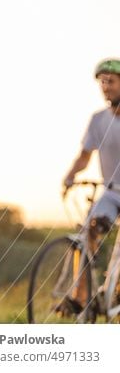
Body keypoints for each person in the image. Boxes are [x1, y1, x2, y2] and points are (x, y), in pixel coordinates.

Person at [61, 58, 120, 314]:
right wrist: (70, 176)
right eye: (102, 82)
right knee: (88, 232)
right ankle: (80, 297)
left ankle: (114, 292)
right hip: (111, 192)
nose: (106, 87)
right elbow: (85, 156)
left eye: (112, 81)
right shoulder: (98, 120)